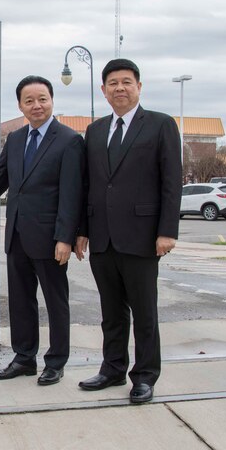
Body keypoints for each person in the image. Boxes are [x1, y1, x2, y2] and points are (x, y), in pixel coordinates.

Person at [0, 75, 84, 386]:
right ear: (20, 105)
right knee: (21, 301)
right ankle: (24, 358)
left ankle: (56, 362)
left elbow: (72, 194)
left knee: (55, 301)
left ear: (51, 101)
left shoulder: (69, 140)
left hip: (52, 239)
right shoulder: (16, 139)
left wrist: (66, 237)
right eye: (29, 100)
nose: (37, 105)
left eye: (42, 99)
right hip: (17, 236)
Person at [75, 58, 182, 403]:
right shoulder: (95, 130)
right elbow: (88, 184)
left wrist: (167, 231)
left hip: (142, 237)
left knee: (144, 311)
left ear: (138, 86)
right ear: (103, 90)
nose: (119, 88)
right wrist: (82, 230)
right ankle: (112, 368)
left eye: (126, 82)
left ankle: (145, 376)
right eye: (112, 83)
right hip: (102, 237)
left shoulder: (160, 125)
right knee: (111, 311)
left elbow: (171, 183)